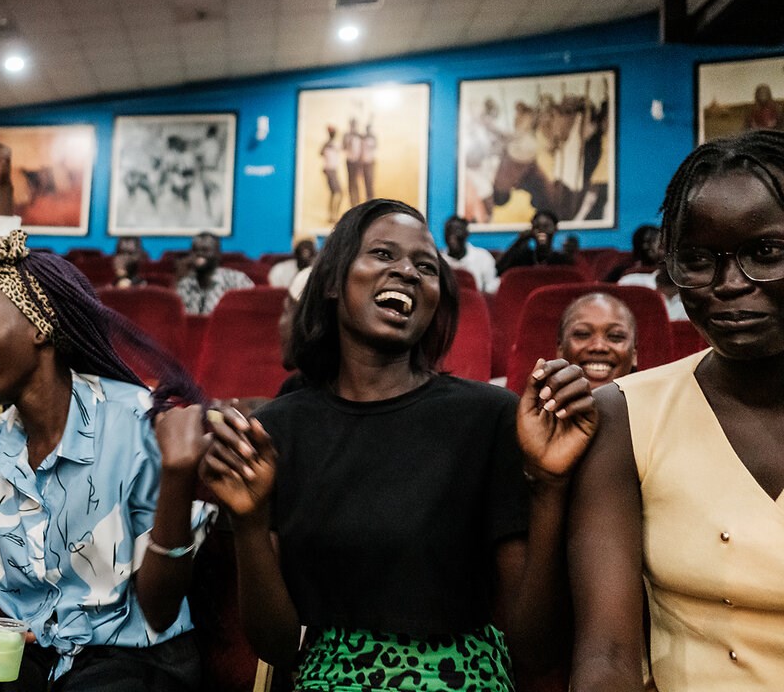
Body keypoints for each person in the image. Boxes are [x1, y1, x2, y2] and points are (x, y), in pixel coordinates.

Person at [200, 199, 597, 691]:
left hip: (464, 678)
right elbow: (277, 646)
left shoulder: (490, 416)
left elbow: (535, 648)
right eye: (383, 254)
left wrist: (550, 486)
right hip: (330, 679)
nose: (407, 271)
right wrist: (249, 523)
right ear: (331, 282)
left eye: (425, 265)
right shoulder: (281, 430)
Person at [0, 230, 213, 691]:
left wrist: (178, 478)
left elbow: (160, 612)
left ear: (39, 325)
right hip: (36, 660)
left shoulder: (134, 423)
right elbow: (2, 604)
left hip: (137, 663)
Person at [568, 130, 784, 691]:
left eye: (767, 253)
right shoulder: (624, 415)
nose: (730, 285)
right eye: (697, 260)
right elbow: (607, 655)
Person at [557, 292, 636, 389]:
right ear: (560, 350)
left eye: (615, 336)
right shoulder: (538, 402)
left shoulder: (657, 404)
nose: (599, 346)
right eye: (583, 334)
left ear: (634, 354)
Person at [175, 232, 253, 315]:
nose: (199, 254)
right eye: (195, 250)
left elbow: (251, 309)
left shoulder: (237, 280)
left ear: (218, 254)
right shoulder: (185, 283)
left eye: (205, 250)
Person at [496, 209, 575, 275]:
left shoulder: (560, 259)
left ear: (555, 229)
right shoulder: (525, 257)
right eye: (537, 227)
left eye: (546, 226)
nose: (541, 231)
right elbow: (499, 269)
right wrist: (520, 241)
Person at [442, 215, 499, 293]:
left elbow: (491, 287)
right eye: (448, 232)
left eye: (457, 231)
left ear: (466, 234)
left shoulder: (483, 257)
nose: (452, 237)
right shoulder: (440, 260)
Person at [320, 125, 343, 223]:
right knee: (338, 193)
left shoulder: (329, 144)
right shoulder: (329, 145)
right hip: (330, 171)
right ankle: (333, 215)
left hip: (331, 170)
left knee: (334, 193)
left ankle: (332, 215)